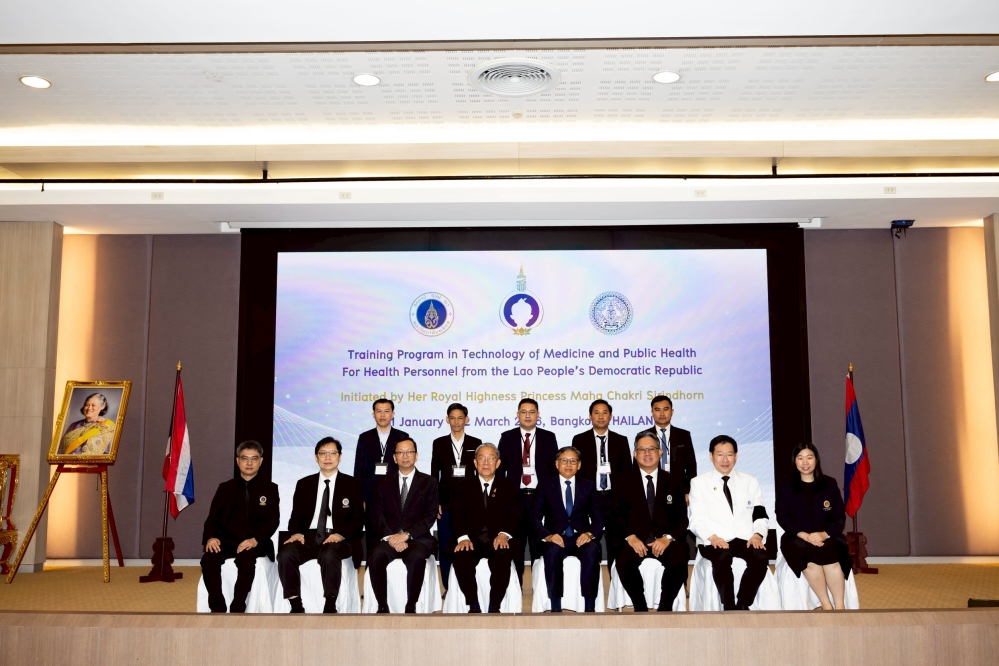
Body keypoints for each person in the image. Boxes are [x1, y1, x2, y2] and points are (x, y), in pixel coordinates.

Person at [277, 436, 364, 613]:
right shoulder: (304, 484)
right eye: (323, 453)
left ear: (340, 457)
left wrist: (340, 535)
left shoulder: (352, 484)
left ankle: (330, 604)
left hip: (339, 538)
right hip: (309, 537)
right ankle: (295, 605)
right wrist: (297, 533)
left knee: (329, 553)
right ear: (316, 458)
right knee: (286, 554)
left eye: (332, 453)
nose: (327, 457)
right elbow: (295, 518)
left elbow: (358, 520)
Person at [689, 435, 770, 611]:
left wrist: (758, 534)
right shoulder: (698, 483)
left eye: (729, 454)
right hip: (714, 538)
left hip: (744, 537)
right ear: (711, 456)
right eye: (720, 454)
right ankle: (729, 605)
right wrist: (712, 537)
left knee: (761, 557)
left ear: (736, 456)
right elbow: (696, 519)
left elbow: (760, 514)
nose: (725, 460)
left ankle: (743, 603)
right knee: (722, 557)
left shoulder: (750, 481)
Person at [612, 432, 689, 612]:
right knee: (624, 560)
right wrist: (630, 537)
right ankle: (640, 607)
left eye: (651, 449)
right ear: (635, 454)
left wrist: (667, 538)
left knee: (680, 556)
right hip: (634, 540)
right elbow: (615, 515)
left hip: (665, 540)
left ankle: (665, 607)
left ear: (660, 452)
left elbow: (682, 518)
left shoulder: (674, 480)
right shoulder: (621, 480)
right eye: (642, 449)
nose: (647, 453)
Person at [200, 440, 280, 613]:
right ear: (238, 461)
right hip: (227, 541)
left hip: (255, 542)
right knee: (208, 559)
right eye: (245, 458)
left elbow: (273, 521)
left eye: (254, 458)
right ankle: (217, 606)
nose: (249, 462)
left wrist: (256, 539)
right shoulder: (224, 488)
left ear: (261, 461)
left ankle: (238, 605)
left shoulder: (270, 489)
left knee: (246, 559)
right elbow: (212, 518)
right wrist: (210, 537)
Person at [776, 442, 851, 610]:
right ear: (794, 461)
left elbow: (839, 516)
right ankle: (826, 605)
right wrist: (803, 534)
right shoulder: (786, 484)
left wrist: (824, 534)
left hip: (828, 534)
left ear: (816, 460)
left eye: (809, 457)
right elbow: (782, 516)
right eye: (800, 458)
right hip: (797, 536)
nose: (805, 462)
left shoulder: (829, 483)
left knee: (832, 556)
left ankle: (840, 607)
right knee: (807, 557)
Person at [368, 438, 439, 613]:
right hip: (390, 538)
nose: (405, 456)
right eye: (400, 452)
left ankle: (411, 605)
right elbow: (377, 515)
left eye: (409, 452)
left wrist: (406, 535)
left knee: (416, 557)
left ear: (416, 455)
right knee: (376, 555)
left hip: (417, 538)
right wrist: (391, 537)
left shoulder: (429, 482)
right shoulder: (383, 483)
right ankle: (382, 605)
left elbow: (430, 515)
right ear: (394, 457)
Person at [533, 446, 603, 612]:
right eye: (564, 461)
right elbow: (534, 517)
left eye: (573, 461)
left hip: (581, 537)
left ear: (579, 465)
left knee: (592, 550)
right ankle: (555, 606)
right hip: (556, 537)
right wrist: (548, 536)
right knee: (552, 552)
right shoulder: (545, 485)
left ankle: (590, 607)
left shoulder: (588, 486)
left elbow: (599, 518)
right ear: (557, 464)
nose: (569, 464)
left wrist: (589, 534)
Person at [451, 442, 519, 613]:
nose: (486, 463)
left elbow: (514, 515)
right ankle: (473, 604)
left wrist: (504, 534)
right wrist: (463, 538)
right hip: (471, 539)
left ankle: (494, 606)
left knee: (503, 558)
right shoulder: (462, 486)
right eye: (482, 458)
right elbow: (456, 516)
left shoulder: (509, 487)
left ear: (498, 463)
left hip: (497, 539)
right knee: (461, 558)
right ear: (475, 463)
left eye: (491, 458)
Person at [496, 398, 557, 585]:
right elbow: (500, 470)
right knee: (517, 545)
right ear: (517, 415)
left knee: (539, 543)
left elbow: (554, 470)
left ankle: (541, 589)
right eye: (523, 412)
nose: (528, 415)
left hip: (540, 497)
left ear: (538, 415)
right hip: (516, 498)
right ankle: (517, 588)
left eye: (532, 412)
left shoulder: (548, 437)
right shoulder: (507, 437)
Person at [570, 399, 631, 568]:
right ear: (590, 416)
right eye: (596, 413)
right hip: (590, 498)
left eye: (605, 412)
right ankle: (594, 578)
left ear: (610, 416)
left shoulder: (621, 440)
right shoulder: (580, 439)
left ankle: (614, 578)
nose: (601, 416)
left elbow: (627, 472)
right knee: (590, 541)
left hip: (614, 498)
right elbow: (576, 471)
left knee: (615, 541)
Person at [430, 402, 482, 590]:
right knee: (446, 546)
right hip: (445, 503)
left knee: (468, 545)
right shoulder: (439, 443)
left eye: (460, 418)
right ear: (447, 420)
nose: (456, 422)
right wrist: (435, 500)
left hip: (469, 504)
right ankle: (448, 588)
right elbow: (434, 474)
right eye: (452, 418)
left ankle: (467, 587)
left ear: (466, 419)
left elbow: (480, 474)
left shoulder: (476, 443)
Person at [353, 398, 410, 553]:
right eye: (379, 411)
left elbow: (406, 465)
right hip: (370, 495)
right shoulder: (365, 437)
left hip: (395, 494)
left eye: (386, 411)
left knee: (394, 531)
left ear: (393, 414)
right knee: (372, 533)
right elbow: (358, 469)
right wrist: (360, 497)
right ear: (373, 414)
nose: (382, 415)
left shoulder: (402, 436)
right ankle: (372, 565)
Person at [638, 395, 697, 504]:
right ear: (652, 412)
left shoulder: (683, 435)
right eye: (657, 410)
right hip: (652, 488)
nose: (662, 413)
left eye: (665, 409)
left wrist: (689, 490)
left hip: (679, 488)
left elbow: (691, 465)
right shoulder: (643, 436)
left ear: (672, 411)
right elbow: (637, 465)